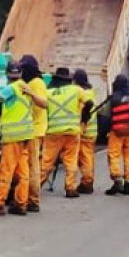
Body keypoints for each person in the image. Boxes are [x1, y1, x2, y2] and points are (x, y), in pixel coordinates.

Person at [0, 63, 47, 216]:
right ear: (21, 73)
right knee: (22, 170)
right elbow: (2, 97)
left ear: (7, 74)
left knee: (5, 170)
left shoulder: (11, 88)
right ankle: (21, 203)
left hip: (13, 137)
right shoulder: (24, 87)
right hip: (26, 136)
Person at [39, 67, 85, 198]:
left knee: (46, 161)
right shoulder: (76, 90)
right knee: (71, 160)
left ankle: (35, 187)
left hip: (53, 131)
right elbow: (89, 102)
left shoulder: (48, 93)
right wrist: (83, 119)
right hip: (72, 131)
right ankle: (70, 187)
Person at [105, 74, 129, 196]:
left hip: (117, 132)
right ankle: (128, 183)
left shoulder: (114, 99)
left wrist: (106, 131)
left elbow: (107, 117)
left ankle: (117, 180)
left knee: (114, 156)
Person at [19, 55, 48, 212]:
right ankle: (27, 197)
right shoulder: (33, 82)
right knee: (29, 165)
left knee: (32, 166)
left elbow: (44, 103)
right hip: (33, 130)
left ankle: (32, 200)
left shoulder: (36, 83)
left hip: (34, 131)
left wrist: (30, 92)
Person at [73, 69, 97, 194]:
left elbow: (82, 113)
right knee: (88, 158)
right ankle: (88, 180)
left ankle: (87, 182)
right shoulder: (91, 92)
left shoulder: (83, 94)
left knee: (85, 158)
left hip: (85, 131)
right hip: (91, 131)